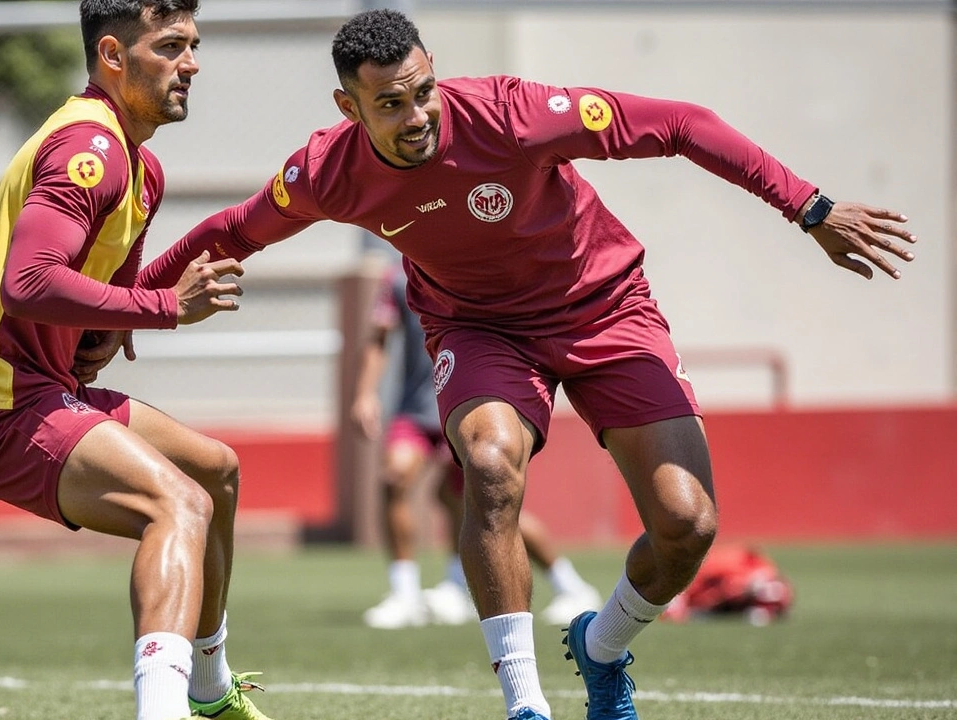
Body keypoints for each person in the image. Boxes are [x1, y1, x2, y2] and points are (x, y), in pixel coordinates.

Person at [137, 9, 916, 720]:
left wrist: (809, 207)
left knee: (686, 526)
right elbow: (234, 230)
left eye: (424, 92)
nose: (417, 118)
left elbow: (681, 123)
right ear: (350, 109)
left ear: (435, 70)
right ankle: (526, 705)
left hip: (606, 307)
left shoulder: (512, 114)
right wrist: (127, 303)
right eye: (390, 105)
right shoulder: (327, 171)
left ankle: (601, 646)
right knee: (489, 463)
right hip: (478, 330)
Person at [0, 3, 270, 720]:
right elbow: (28, 281)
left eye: (193, 45)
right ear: (112, 55)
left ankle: (208, 688)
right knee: (179, 505)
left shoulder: (140, 168)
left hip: (41, 390)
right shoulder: (93, 148)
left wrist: (132, 313)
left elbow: (100, 304)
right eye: (170, 46)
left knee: (217, 469)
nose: (191, 64)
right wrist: (167, 308)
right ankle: (163, 710)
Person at [353, 263, 599, 630]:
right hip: (416, 409)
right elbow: (379, 337)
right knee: (395, 479)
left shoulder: (476, 261)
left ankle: (570, 586)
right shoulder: (398, 276)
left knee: (485, 500)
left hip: (468, 404)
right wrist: (364, 394)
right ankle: (406, 594)